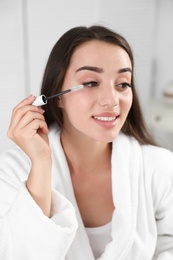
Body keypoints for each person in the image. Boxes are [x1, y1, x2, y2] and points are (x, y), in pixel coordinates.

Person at [0, 25, 173, 260]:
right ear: (57, 96)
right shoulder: (12, 170)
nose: (112, 101)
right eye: (91, 83)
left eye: (122, 84)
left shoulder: (159, 167)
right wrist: (40, 165)